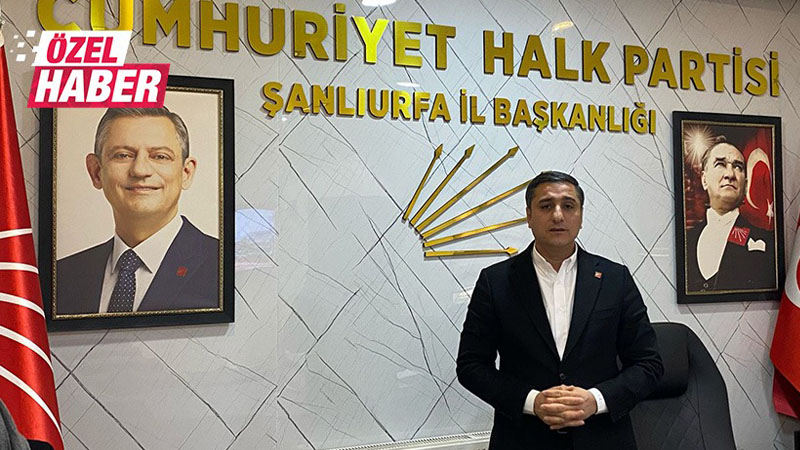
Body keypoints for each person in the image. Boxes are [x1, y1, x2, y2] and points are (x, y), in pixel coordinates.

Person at [456, 171, 663, 450]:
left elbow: (648, 364)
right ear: (529, 216)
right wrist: (532, 401)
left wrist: (596, 400)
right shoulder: (496, 282)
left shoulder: (616, 279)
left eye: (568, 205)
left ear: (580, 215)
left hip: (602, 438)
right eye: (546, 206)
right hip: (523, 439)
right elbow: (471, 366)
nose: (557, 215)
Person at [56, 107, 220, 315]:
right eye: (123, 155)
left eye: (160, 156)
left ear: (186, 172)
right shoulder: (61, 277)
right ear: (96, 172)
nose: (140, 170)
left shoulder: (223, 266)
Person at [685, 138, 776, 293]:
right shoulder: (687, 240)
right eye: (720, 164)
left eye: (737, 167)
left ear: (745, 185)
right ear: (704, 179)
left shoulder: (767, 241)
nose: (730, 174)